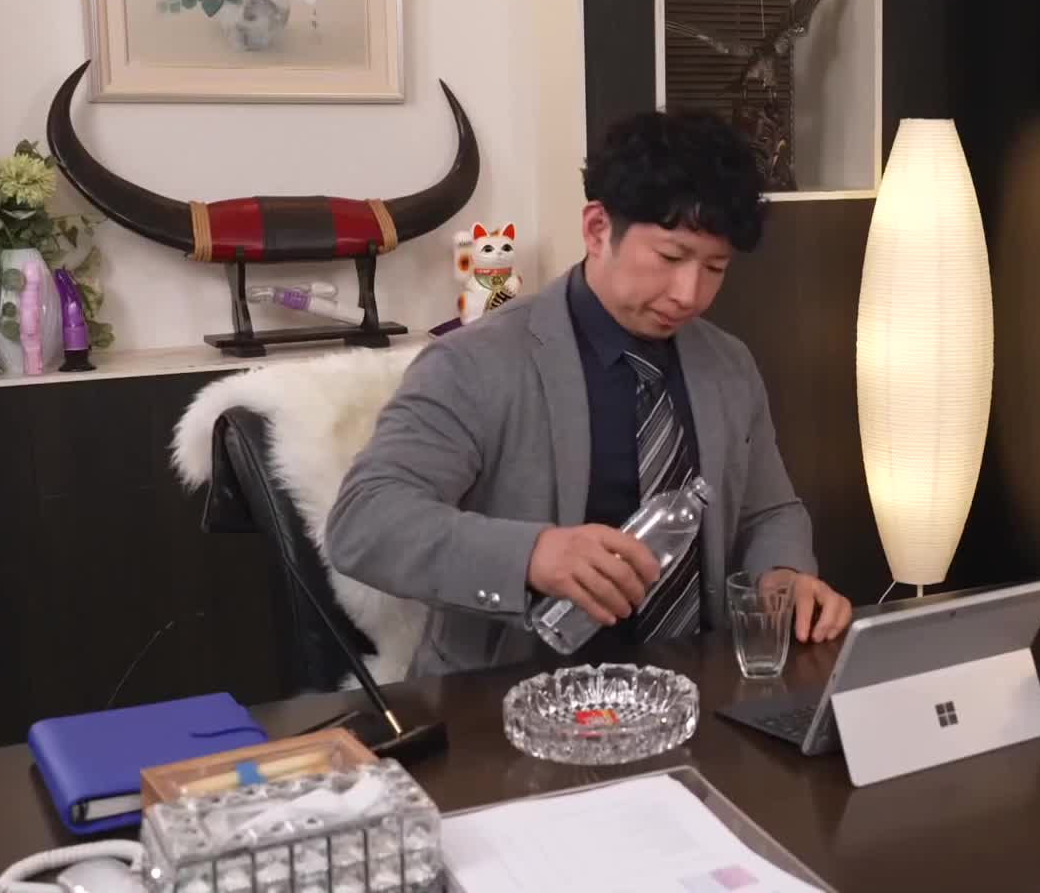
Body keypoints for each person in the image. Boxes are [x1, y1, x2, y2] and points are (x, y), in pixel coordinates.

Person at [326, 111, 854, 677]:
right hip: (508, 696)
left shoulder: (728, 364)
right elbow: (365, 521)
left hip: (701, 688)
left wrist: (784, 576)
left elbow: (769, 510)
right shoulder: (475, 362)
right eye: (671, 258)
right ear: (598, 229)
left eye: (715, 268)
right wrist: (532, 555)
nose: (689, 294)